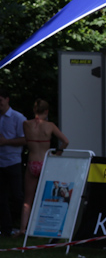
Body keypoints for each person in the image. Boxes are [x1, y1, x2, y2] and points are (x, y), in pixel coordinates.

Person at [20, 99, 69, 235]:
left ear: (34, 110)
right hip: (45, 162)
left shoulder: (26, 124)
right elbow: (65, 141)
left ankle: (23, 228)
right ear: (46, 111)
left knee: (28, 199)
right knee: (47, 198)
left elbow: (27, 140)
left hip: (32, 163)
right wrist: (56, 155)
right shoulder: (50, 126)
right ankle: (44, 228)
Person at [0, 88, 26, 237]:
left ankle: (23, 226)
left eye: (0, 101)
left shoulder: (18, 117)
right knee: (1, 198)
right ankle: (6, 229)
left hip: (13, 161)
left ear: (7, 99)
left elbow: (25, 139)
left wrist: (6, 142)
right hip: (0, 162)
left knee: (17, 195)